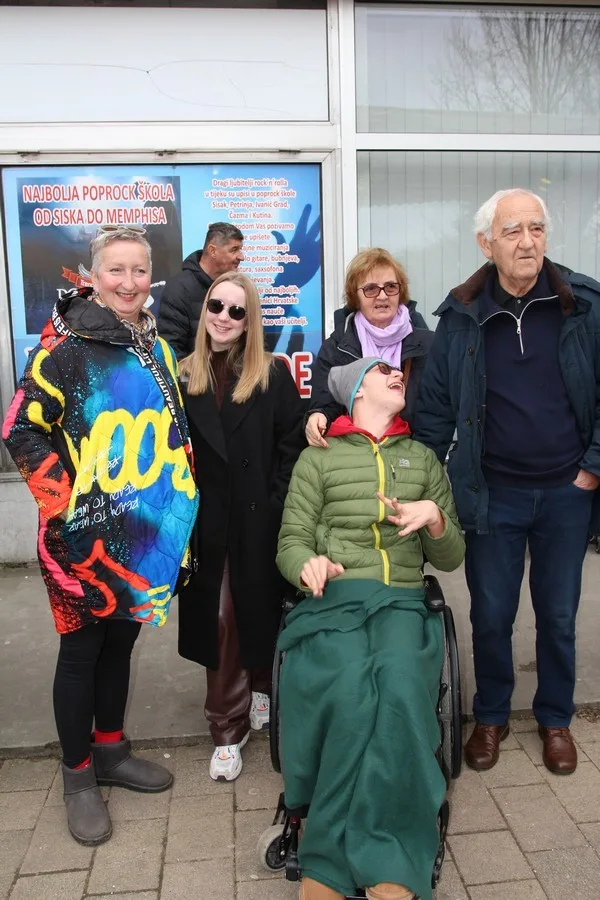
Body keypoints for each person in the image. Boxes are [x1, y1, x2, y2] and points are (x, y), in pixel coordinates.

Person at [2, 226, 199, 845]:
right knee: (82, 652)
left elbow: (173, 433)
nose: (128, 282)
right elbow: (19, 429)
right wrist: (65, 503)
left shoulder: (156, 348)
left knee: (121, 644)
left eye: (139, 270)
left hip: (138, 534)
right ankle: (78, 775)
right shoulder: (63, 349)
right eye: (116, 270)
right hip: (76, 541)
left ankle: (111, 750)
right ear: (93, 277)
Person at [414, 188, 600, 776]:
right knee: (491, 614)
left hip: (566, 493)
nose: (527, 242)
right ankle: (491, 716)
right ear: (485, 243)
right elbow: (434, 412)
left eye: (536, 229)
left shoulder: (583, 306)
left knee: (559, 614)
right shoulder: (460, 317)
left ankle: (555, 719)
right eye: (513, 231)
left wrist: (592, 468)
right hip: (492, 493)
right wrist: (426, 488)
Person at [277, 357, 465, 900]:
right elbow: (291, 541)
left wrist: (434, 519)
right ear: (356, 389)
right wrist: (307, 565)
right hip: (336, 598)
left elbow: (451, 557)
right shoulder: (319, 458)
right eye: (383, 370)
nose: (397, 372)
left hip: (402, 600)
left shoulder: (422, 458)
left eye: (399, 369)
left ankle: (388, 855)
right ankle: (330, 852)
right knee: (348, 687)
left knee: (400, 686)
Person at [177, 271, 305, 782]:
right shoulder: (182, 375)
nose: (224, 318)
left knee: (259, 609)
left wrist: (274, 504)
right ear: (204, 309)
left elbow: (292, 445)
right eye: (216, 306)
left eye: (237, 310)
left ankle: (261, 689)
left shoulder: (271, 374)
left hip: (256, 518)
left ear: (250, 320)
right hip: (206, 522)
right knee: (221, 619)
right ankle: (226, 727)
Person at [305, 248, 432, 447]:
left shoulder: (429, 345)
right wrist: (318, 416)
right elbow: (325, 404)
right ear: (355, 297)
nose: (382, 296)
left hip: (414, 456)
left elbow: (439, 412)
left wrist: (422, 455)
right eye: (371, 289)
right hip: (356, 457)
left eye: (390, 287)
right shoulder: (336, 348)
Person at [158, 222, 244, 359]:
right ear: (213, 251)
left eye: (240, 249)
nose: (241, 257)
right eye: (234, 250)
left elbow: (256, 340)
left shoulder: (240, 287)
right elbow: (172, 351)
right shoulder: (178, 289)